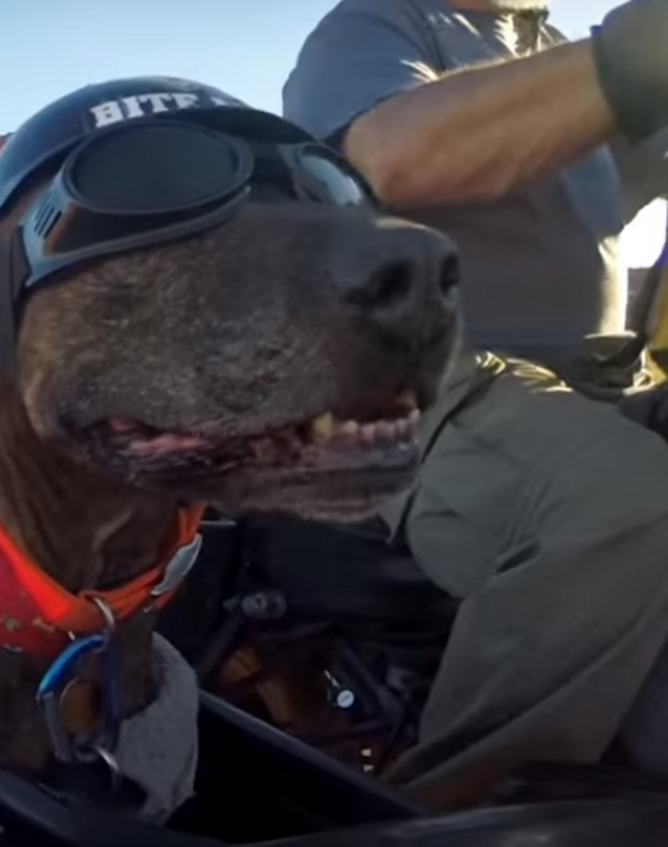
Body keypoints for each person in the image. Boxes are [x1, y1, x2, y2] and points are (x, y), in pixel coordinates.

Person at [282, 0, 668, 810]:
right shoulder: (377, 26)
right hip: (430, 389)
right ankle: (451, 811)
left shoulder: (548, 51)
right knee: (627, 498)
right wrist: (639, 53)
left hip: (603, 383)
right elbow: (394, 156)